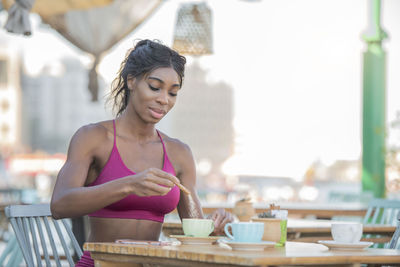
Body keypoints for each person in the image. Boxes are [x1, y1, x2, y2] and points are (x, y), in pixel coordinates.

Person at [50, 39, 233, 267]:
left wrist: (215, 226)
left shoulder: (179, 153)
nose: (164, 99)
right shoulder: (93, 138)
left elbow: (197, 230)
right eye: (155, 87)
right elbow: (59, 205)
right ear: (131, 81)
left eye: (173, 93)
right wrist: (130, 185)